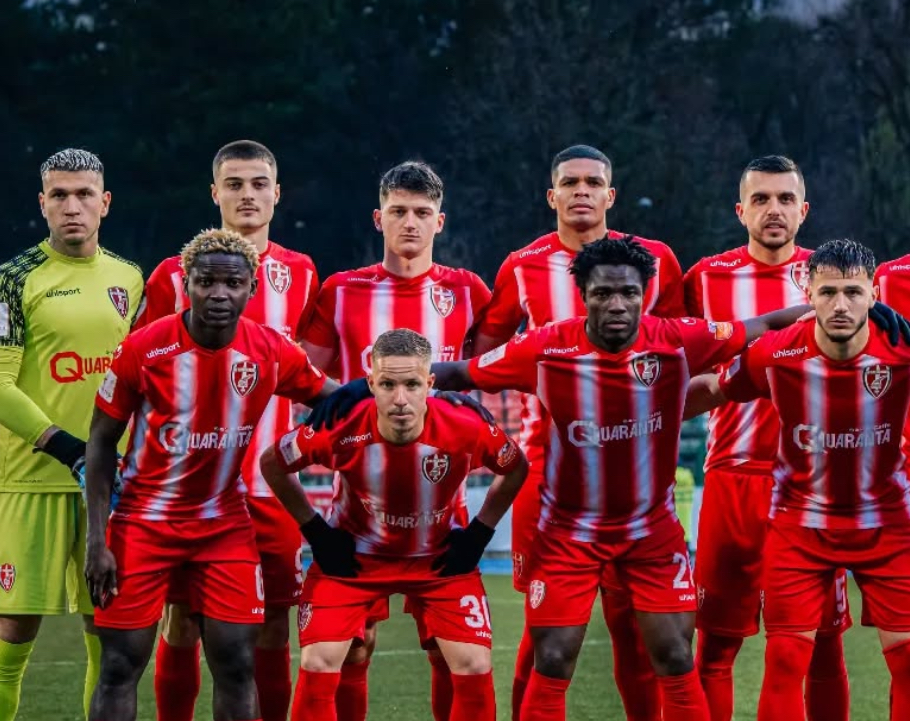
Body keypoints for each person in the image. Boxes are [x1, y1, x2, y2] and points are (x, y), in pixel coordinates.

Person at [311, 236, 817, 721]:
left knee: (674, 655)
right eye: (603, 293)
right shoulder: (546, 347)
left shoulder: (678, 339)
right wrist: (360, 390)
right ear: (584, 295)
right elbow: (462, 372)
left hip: (651, 533)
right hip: (569, 533)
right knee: (552, 657)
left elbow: (763, 324)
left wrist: (834, 312)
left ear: (644, 295)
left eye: (629, 293)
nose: (616, 304)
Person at [82, 229, 339, 721]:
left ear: (252, 288)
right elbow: (99, 442)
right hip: (142, 523)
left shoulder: (271, 350)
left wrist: (415, 401)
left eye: (233, 284)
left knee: (238, 664)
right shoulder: (143, 349)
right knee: (119, 665)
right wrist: (98, 540)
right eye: (206, 282)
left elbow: (335, 399)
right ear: (187, 285)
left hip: (223, 524)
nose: (219, 294)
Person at [468, 144, 686, 720]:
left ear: (611, 195)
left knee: (634, 626)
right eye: (570, 183)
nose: (581, 191)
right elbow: (485, 355)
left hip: (635, 473)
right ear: (552, 196)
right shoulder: (522, 265)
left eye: (593, 182)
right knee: (544, 633)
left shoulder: (657, 260)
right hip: (549, 472)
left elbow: (678, 350)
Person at [686, 239, 910, 720]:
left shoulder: (903, 348)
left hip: (888, 524)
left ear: (874, 295)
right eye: (828, 292)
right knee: (786, 658)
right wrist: (639, 408)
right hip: (800, 526)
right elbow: (716, 389)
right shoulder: (776, 352)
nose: (840, 305)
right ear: (807, 294)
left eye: (853, 292)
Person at [301, 160, 491, 721]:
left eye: (422, 212)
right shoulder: (340, 290)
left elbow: (487, 370)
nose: (410, 222)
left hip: (442, 505)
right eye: (399, 211)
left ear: (440, 221)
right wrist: (355, 402)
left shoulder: (468, 291)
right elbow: (306, 380)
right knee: (353, 647)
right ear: (378, 218)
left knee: (448, 652)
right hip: (358, 502)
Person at [260, 328, 529, 721]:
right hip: (354, 560)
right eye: (387, 384)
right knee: (320, 661)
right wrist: (316, 532)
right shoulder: (340, 425)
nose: (400, 399)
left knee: (472, 663)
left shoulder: (465, 425)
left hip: (438, 561)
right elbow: (273, 463)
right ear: (371, 384)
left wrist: (479, 533)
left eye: (412, 384)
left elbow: (516, 466)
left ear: (430, 385)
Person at [138, 140, 319, 721]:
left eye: (259, 183)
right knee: (183, 621)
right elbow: (144, 373)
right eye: (235, 184)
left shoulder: (301, 272)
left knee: (272, 624)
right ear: (214, 192)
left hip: (270, 487)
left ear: (277, 193)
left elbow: (307, 374)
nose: (247, 195)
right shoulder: (172, 275)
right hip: (190, 491)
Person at [682, 155, 850, 721]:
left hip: (813, 485)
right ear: (740, 210)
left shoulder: (834, 280)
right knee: (716, 645)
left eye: (784, 199)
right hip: (733, 476)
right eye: (761, 199)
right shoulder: (705, 278)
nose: (773, 209)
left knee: (822, 643)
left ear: (804, 211)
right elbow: (675, 367)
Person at [0, 148, 143, 721]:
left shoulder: (129, 278)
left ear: (105, 203)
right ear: (42, 204)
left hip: (109, 487)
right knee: (12, 632)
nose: (72, 206)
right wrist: (70, 449)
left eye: (84, 194)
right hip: (29, 481)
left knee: (108, 634)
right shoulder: (13, 279)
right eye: (59, 195)